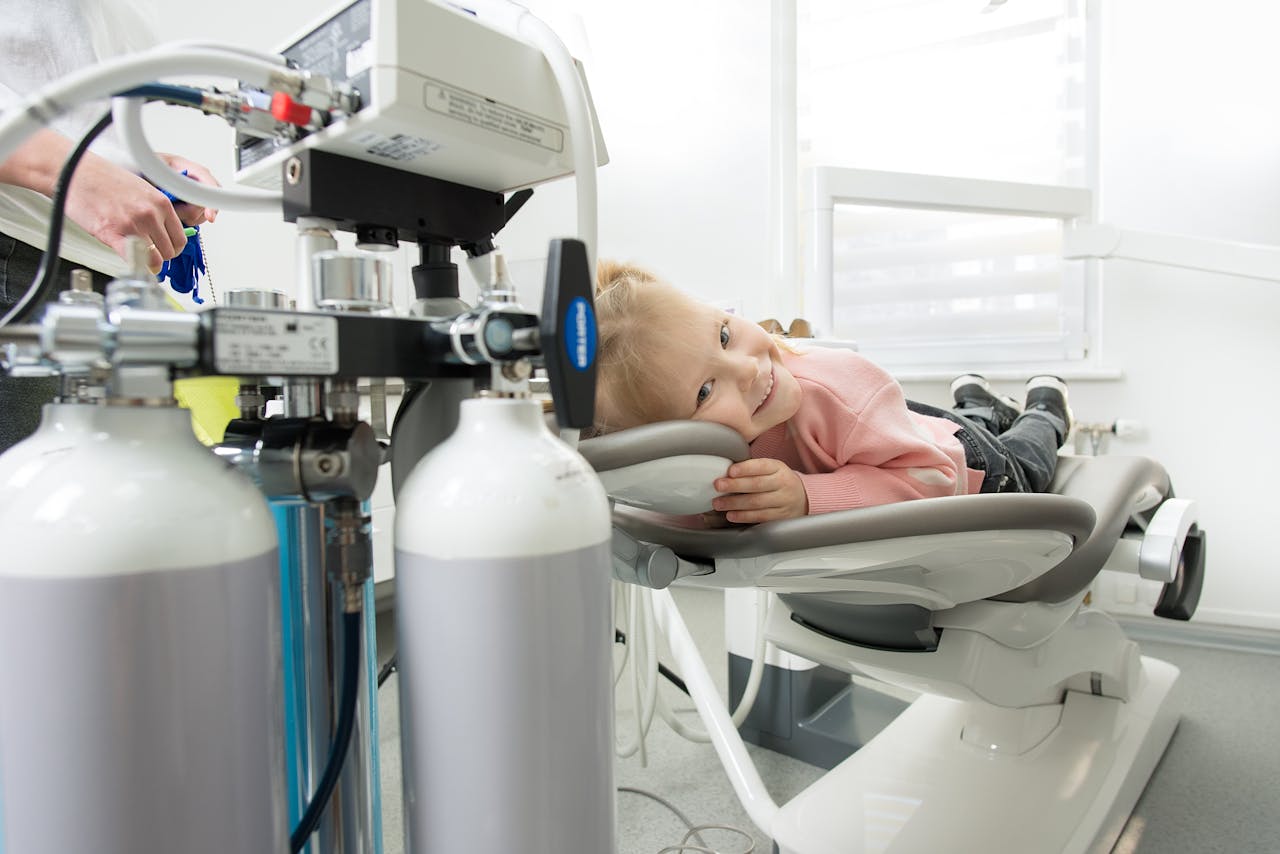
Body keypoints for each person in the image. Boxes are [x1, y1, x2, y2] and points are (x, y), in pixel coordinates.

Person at [591, 260, 1072, 524]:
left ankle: (1046, 408)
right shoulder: (699, 453)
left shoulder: (842, 385)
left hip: (968, 466)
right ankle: (977, 403)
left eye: (723, 335)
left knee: (1026, 458)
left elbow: (932, 478)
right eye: (705, 391)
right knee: (944, 422)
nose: (748, 368)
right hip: (887, 434)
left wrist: (807, 494)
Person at [0, 0, 220, 452]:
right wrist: (75, 172)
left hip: (99, 275)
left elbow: (71, 116)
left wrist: (137, 169)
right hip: (17, 253)